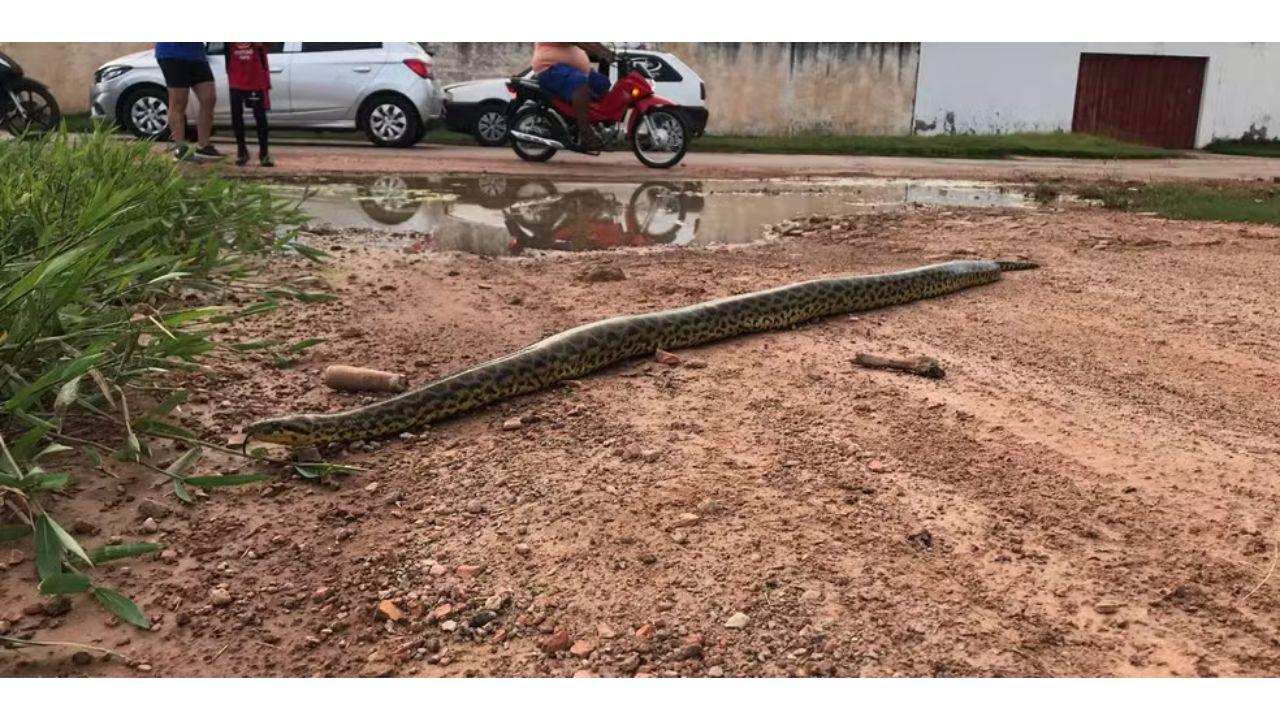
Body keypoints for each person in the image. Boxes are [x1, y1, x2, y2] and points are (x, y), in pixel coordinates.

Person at [531, 42, 615, 149]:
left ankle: (596, 125)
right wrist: (600, 51)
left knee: (602, 83)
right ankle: (585, 133)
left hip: (575, 71)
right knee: (579, 82)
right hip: (550, 68)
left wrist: (608, 52)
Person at [154, 42, 219, 161]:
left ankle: (203, 146)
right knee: (178, 102)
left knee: (209, 98)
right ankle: (181, 149)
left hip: (196, 54)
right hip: (172, 54)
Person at [224, 42, 274, 167]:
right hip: (235, 77)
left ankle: (264, 153)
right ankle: (241, 150)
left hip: (255, 77)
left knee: (260, 115)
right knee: (236, 115)